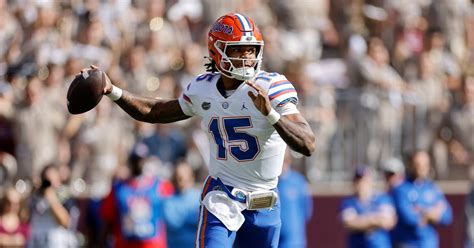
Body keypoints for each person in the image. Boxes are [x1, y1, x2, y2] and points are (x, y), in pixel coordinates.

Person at [83, 13, 315, 248]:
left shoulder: (271, 86)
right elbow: (154, 111)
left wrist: (271, 115)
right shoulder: (203, 89)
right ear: (217, 51)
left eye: (251, 50)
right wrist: (113, 91)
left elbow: (307, 143)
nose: (247, 57)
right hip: (222, 197)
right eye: (238, 50)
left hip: (264, 201)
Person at [100, 142, 174, 248]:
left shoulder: (160, 186)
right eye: (135, 160)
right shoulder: (119, 188)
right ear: (130, 162)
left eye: (141, 160)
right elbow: (107, 220)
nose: (138, 164)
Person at [390, 150, 452, 247]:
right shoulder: (401, 188)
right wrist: (432, 213)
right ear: (411, 164)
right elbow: (408, 218)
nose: (421, 168)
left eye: (425, 164)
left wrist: (422, 211)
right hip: (408, 243)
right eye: (418, 164)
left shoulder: (432, 188)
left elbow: (447, 216)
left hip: (429, 243)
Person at [340, 165, 397, 248]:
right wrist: (374, 220)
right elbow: (349, 223)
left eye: (364, 180)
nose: (361, 183)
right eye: (358, 180)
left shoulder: (382, 199)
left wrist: (362, 220)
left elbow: (388, 222)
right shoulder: (348, 202)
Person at [27, 164, 79, 248]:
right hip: (37, 242)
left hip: (57, 242)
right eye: (46, 179)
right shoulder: (35, 196)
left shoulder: (64, 196)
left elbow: (66, 222)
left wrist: (50, 196)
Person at [277, 151, 313, 248]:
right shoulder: (272, 184)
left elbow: (307, 211)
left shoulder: (299, 182)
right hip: (275, 240)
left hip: (294, 241)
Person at [163, 161, 201, 248]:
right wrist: (194, 219)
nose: (181, 181)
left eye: (184, 177)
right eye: (179, 178)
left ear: (192, 177)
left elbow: (204, 222)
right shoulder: (168, 200)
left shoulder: (200, 197)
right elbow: (173, 223)